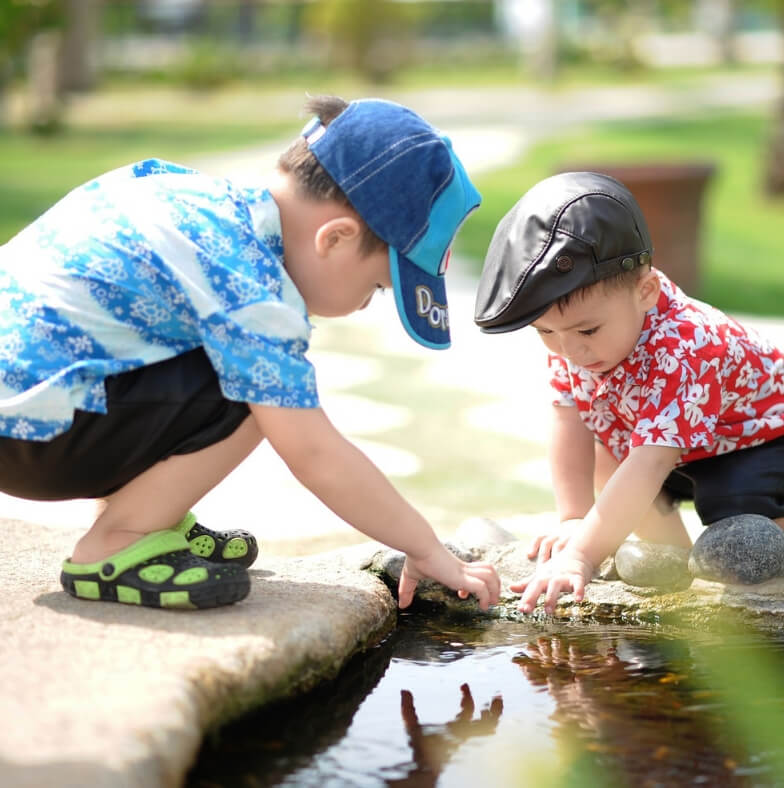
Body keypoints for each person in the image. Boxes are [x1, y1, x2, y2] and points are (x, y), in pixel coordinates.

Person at [0, 95, 500, 612]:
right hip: (35, 441)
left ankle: (149, 515)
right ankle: (119, 540)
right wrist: (425, 548)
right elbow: (314, 454)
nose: (363, 307)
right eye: (375, 286)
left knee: (216, 357)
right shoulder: (252, 283)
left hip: (25, 417)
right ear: (336, 238)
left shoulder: (189, 195)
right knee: (264, 394)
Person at [473, 171, 784, 615]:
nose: (570, 349)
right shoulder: (575, 340)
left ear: (645, 291)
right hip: (687, 446)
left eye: (587, 329)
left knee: (734, 503)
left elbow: (652, 461)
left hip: (778, 437)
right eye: (545, 332)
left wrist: (581, 555)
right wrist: (574, 518)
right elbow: (568, 419)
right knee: (609, 453)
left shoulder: (686, 345)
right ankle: (674, 571)